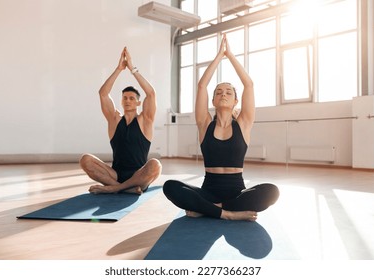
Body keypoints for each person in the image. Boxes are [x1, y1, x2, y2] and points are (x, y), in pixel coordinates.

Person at [163, 35, 279, 221]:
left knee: (272, 192)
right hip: (208, 191)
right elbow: (202, 85)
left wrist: (230, 55)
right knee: (170, 186)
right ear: (213, 100)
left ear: (235, 100)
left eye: (228, 92)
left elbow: (248, 84)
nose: (223, 94)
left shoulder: (243, 124)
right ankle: (228, 214)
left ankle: (210, 210)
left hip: (237, 193)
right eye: (218, 92)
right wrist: (219, 56)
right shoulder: (204, 124)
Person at [80, 47, 161, 195]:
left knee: (156, 165)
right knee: (85, 159)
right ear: (121, 101)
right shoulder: (115, 120)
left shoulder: (145, 120)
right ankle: (124, 188)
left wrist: (132, 69)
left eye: (132, 98)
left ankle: (115, 189)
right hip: (115, 175)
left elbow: (151, 93)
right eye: (125, 98)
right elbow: (103, 94)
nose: (128, 101)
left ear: (138, 103)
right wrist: (118, 69)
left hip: (139, 176)